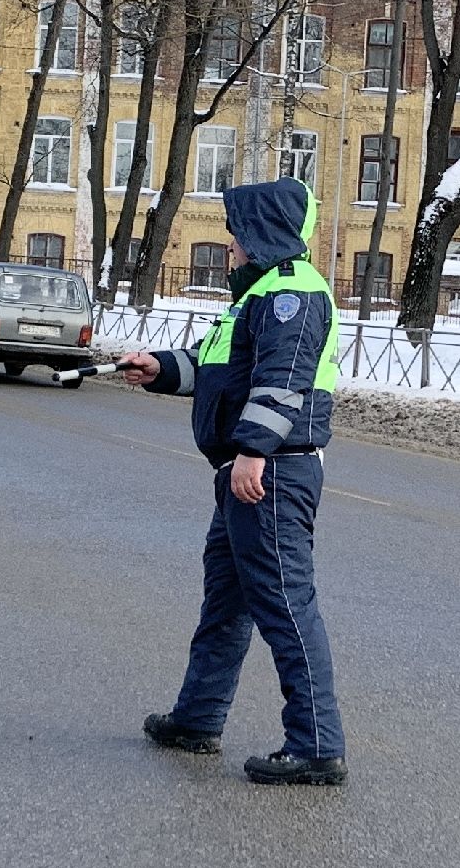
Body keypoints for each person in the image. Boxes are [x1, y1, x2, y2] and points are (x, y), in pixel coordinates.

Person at [122, 176, 347, 787]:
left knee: (285, 606)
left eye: (236, 235)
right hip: (248, 473)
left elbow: (284, 379)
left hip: (271, 472)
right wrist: (159, 368)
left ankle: (317, 746)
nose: (230, 246)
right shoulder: (258, 295)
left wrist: (253, 454)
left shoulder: (293, 294)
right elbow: (214, 366)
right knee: (226, 602)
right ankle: (198, 719)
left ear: (263, 232)